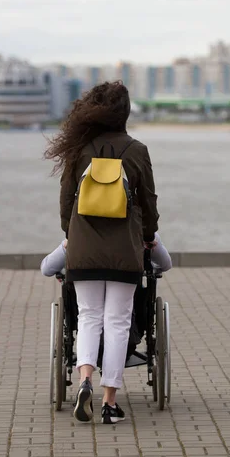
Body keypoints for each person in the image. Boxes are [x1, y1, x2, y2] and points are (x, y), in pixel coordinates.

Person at [44, 81, 160, 424]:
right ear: (125, 112)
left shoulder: (79, 149)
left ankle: (84, 381)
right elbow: (148, 202)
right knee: (118, 321)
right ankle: (110, 403)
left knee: (89, 317)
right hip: (125, 248)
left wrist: (71, 233)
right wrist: (148, 236)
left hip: (84, 246)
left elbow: (66, 201)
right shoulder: (137, 150)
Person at [40, 232, 172, 278]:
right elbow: (166, 264)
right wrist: (151, 267)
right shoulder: (145, 236)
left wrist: (66, 245)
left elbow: (46, 269)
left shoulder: (79, 236)